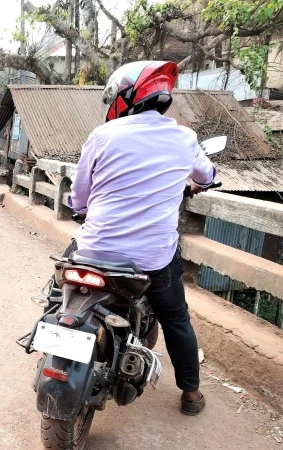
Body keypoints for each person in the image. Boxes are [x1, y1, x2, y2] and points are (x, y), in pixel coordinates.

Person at [67, 61, 216, 416]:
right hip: (152, 260)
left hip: (95, 252)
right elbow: (207, 175)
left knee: (66, 271)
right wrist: (193, 182)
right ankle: (191, 395)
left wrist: (81, 206)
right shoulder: (183, 139)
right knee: (176, 319)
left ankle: (58, 314)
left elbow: (79, 196)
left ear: (125, 98)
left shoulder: (101, 136)